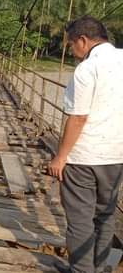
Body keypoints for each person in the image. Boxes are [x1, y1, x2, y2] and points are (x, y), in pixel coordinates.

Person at [48, 15, 123, 273]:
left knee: (80, 221)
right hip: (116, 157)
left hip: (83, 159)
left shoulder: (87, 69)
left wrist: (60, 157)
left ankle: (81, 271)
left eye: (71, 44)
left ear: (83, 40)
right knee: (105, 216)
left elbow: (78, 117)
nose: (71, 51)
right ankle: (100, 268)